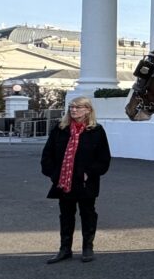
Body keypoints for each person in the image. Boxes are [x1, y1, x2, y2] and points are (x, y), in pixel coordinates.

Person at [40, 96, 112, 263]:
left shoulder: (96, 131)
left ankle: (87, 247)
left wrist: (90, 173)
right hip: (64, 181)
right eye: (72, 107)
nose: (74, 110)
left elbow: (103, 158)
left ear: (88, 110)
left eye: (78, 107)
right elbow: (47, 154)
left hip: (85, 181)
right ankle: (65, 249)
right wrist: (54, 174)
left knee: (87, 213)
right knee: (65, 214)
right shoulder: (60, 129)